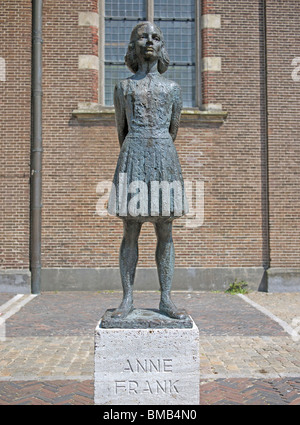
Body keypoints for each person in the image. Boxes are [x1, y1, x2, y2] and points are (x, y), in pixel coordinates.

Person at [107, 21, 188, 319]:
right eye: (143, 37)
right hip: (133, 154)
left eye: (156, 37)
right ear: (133, 45)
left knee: (165, 230)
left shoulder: (173, 89)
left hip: (164, 157)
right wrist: (138, 150)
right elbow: (121, 129)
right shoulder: (123, 87)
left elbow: (173, 128)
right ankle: (127, 298)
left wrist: (157, 148)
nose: (150, 41)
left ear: (162, 46)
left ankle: (166, 298)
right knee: (130, 229)